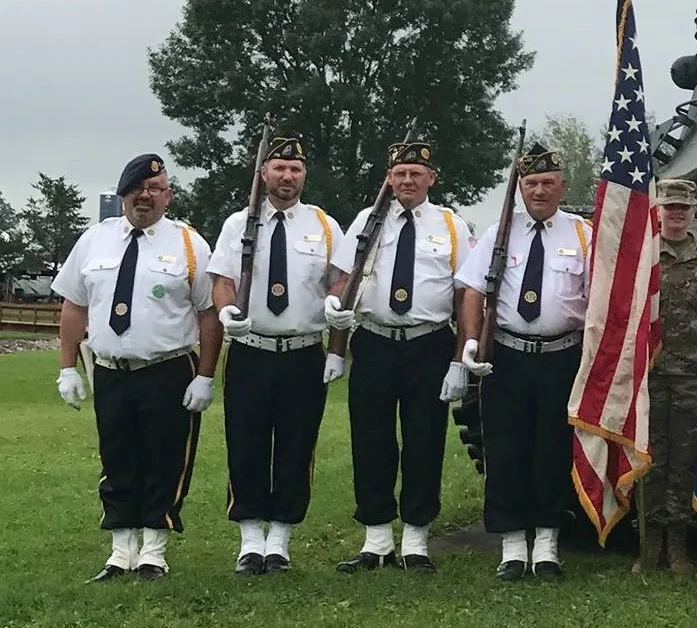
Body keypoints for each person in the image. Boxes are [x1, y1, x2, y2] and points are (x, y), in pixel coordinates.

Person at [52, 153, 220, 582]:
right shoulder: (94, 239)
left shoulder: (188, 243)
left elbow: (207, 313)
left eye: (154, 189)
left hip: (167, 368)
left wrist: (205, 375)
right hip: (110, 368)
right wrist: (68, 368)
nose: (144, 196)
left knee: (164, 458)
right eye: (136, 189)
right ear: (123, 193)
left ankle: (154, 550)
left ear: (167, 196)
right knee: (117, 457)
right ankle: (120, 550)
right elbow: (74, 305)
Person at [323, 141, 473, 574]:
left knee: (424, 439)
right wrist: (334, 314)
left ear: (431, 178)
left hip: (429, 343)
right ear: (389, 178)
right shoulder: (367, 222)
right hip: (374, 341)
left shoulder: (451, 225)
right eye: (399, 174)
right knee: (371, 438)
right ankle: (376, 538)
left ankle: (416, 539)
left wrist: (460, 360)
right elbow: (344, 280)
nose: (407, 181)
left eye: (415, 174)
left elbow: (465, 295)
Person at [207, 136, 344, 575]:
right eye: (279, 168)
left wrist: (336, 305)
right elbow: (222, 278)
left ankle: (280, 540)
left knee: (296, 444)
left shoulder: (324, 225)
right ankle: (250, 540)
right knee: (245, 444)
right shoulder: (238, 223)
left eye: (296, 170)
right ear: (263, 172)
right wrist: (226, 309)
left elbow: (341, 279)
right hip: (251, 350)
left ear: (304, 175)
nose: (287, 177)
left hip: (303, 353)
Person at [456, 143, 591, 580]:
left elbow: (600, 300)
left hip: (562, 357)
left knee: (553, 451)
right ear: (520, 188)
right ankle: (513, 547)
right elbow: (473, 290)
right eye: (531, 183)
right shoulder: (501, 233)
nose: (539, 190)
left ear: (562, 186)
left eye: (547, 182)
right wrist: (471, 344)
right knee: (506, 449)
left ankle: (548, 545)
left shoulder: (583, 235)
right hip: (508, 357)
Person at [633, 178, 697, 575]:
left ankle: (678, 546)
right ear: (659, 210)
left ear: (693, 209)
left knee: (685, 462)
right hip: (650, 375)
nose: (677, 213)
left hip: (691, 374)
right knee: (651, 459)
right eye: (670, 206)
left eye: (683, 207)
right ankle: (649, 543)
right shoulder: (644, 256)